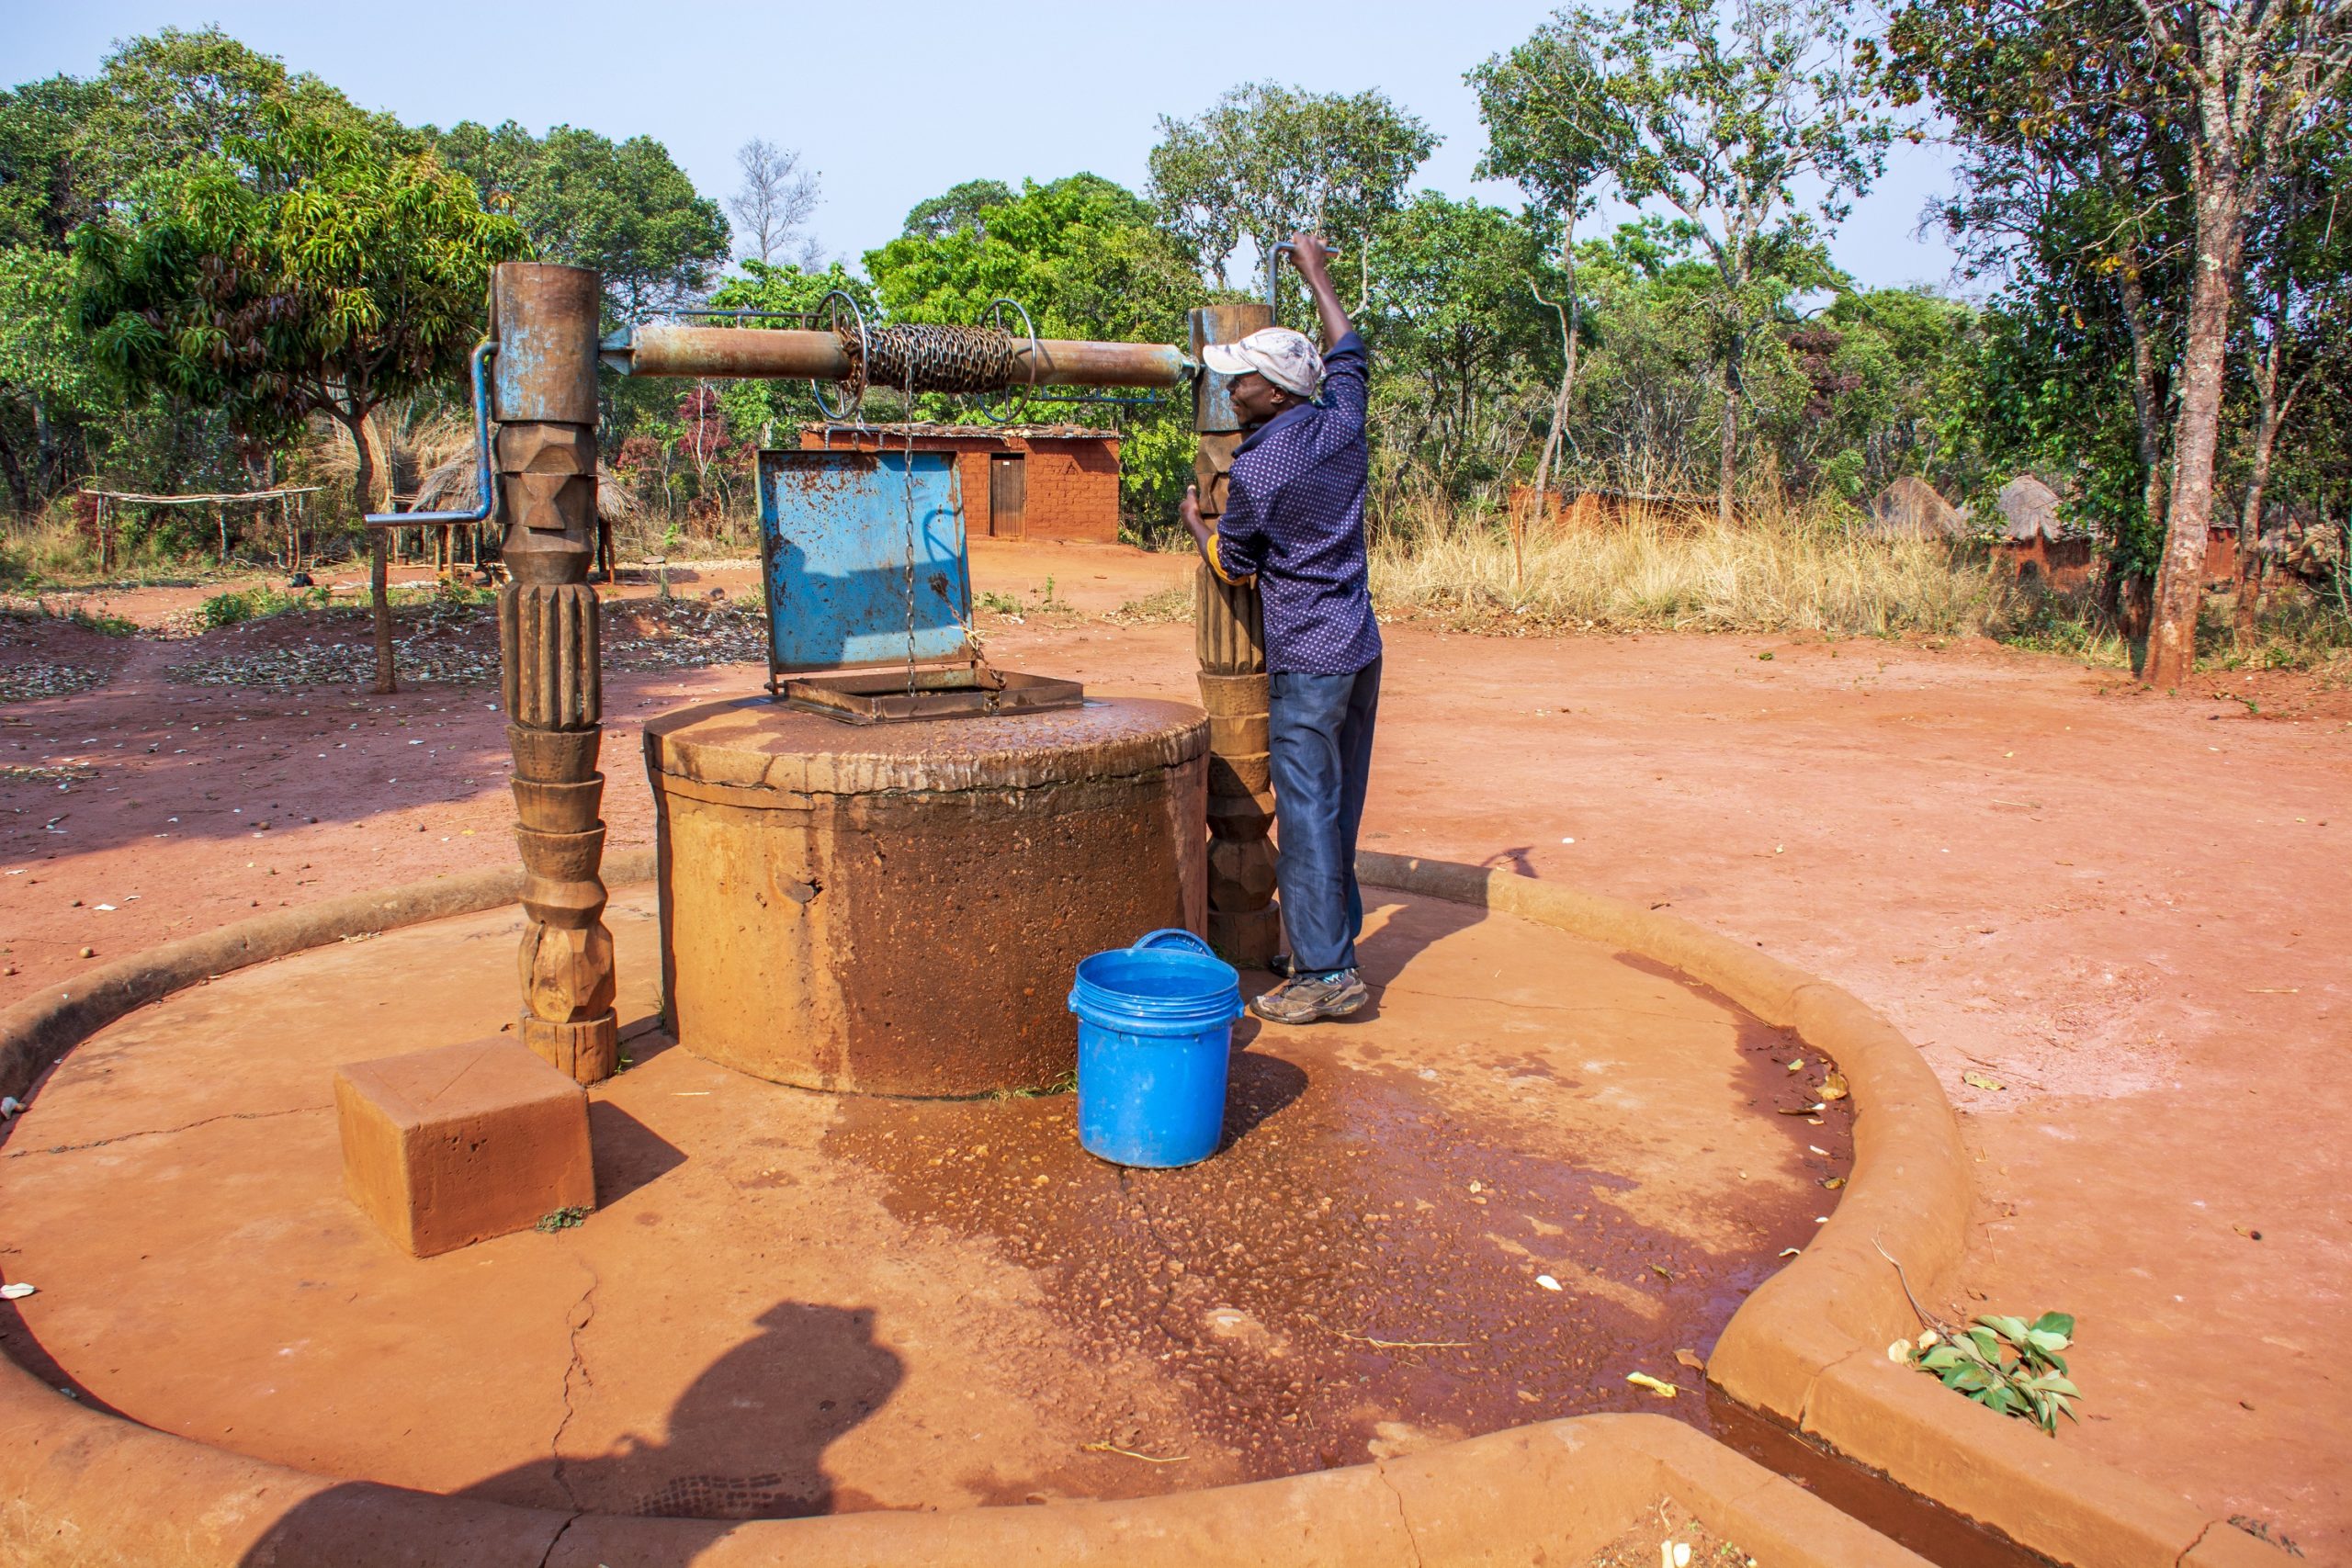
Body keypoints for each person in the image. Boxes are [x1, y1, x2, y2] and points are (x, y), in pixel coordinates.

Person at [1180, 232, 1381, 1025]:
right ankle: (1324, 945)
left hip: (1307, 661)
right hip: (1360, 647)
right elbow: (1351, 351)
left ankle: (1328, 976)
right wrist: (1317, 273)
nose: (1231, 389)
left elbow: (1235, 566)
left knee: (1303, 814)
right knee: (1340, 807)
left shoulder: (1261, 470)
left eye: (1244, 380)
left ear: (1278, 393)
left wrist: (1197, 522)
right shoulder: (1342, 425)